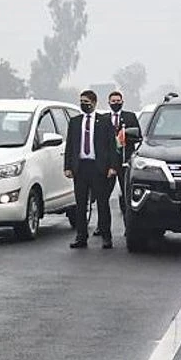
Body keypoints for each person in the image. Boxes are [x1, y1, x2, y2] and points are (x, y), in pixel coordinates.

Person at [64, 90, 120, 250]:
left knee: (102, 204)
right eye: (81, 101)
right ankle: (81, 237)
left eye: (86, 102)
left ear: (94, 103)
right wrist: (67, 166)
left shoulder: (104, 122)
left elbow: (112, 146)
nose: (83, 104)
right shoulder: (75, 122)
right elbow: (70, 146)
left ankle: (106, 237)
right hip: (80, 168)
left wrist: (112, 167)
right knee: (81, 205)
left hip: (99, 168)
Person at [104, 90, 140, 215]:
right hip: (108, 162)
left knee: (126, 193)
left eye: (118, 101)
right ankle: (102, 225)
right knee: (103, 194)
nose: (116, 103)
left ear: (122, 102)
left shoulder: (130, 116)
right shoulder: (104, 119)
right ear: (108, 102)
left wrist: (125, 136)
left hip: (125, 160)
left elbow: (138, 136)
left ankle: (128, 223)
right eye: (113, 101)